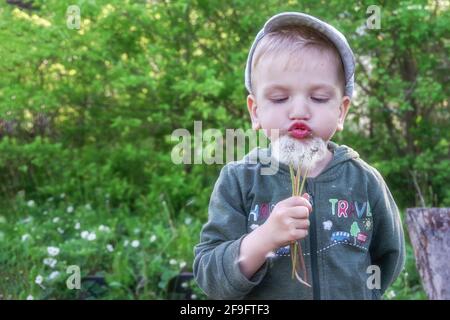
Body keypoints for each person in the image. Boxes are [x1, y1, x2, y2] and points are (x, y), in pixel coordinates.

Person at [193, 12, 405, 300]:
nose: (299, 111)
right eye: (280, 98)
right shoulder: (241, 179)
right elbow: (210, 275)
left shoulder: (364, 180)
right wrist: (264, 238)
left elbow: (388, 256)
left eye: (318, 98)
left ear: (341, 111)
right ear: (255, 111)